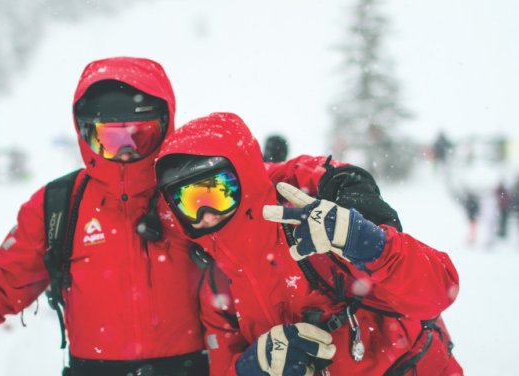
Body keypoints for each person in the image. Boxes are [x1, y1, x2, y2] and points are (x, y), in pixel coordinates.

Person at [0, 57, 210, 376]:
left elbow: (248, 263)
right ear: (86, 135)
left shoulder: (193, 192)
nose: (126, 152)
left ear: (166, 126)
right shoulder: (59, 205)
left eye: (141, 136)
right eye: (110, 139)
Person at [155, 112, 462, 375]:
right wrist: (253, 367)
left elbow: (437, 291)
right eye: (190, 202)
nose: (206, 215)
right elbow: (224, 365)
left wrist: (366, 243)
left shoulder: (315, 225)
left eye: (218, 193)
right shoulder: (216, 283)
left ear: (245, 179)